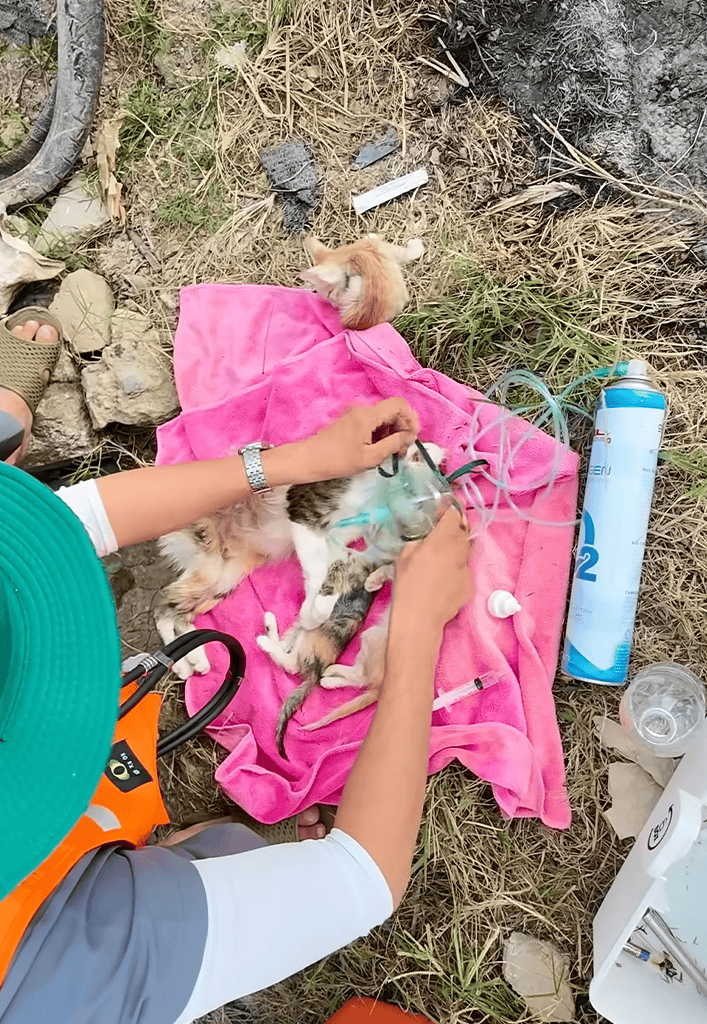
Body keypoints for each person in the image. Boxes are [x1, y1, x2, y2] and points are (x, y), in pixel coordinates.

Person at [0, 312, 473, 1024]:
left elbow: (60, 530)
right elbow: (361, 878)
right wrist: (415, 631)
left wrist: (285, 464)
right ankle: (167, 856)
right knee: (186, 870)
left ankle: (5, 426)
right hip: (73, 922)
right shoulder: (64, 976)